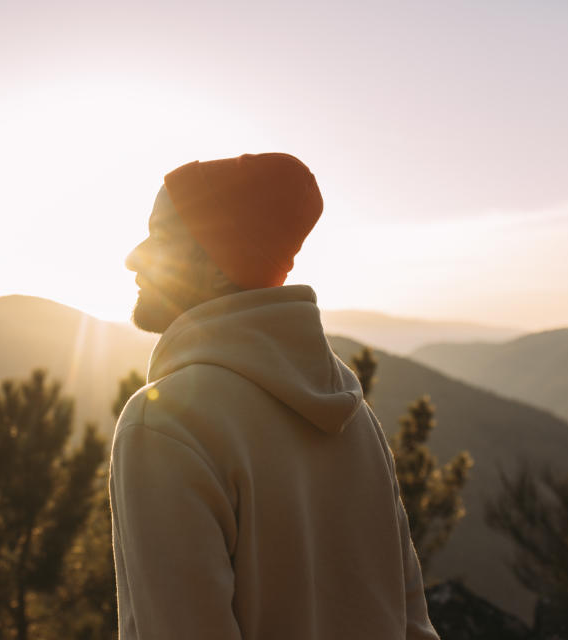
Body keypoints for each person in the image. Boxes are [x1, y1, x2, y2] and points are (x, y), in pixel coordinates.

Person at [109, 153, 440, 639]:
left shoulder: (165, 422)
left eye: (160, 237)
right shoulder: (353, 415)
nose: (133, 256)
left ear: (221, 268)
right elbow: (412, 620)